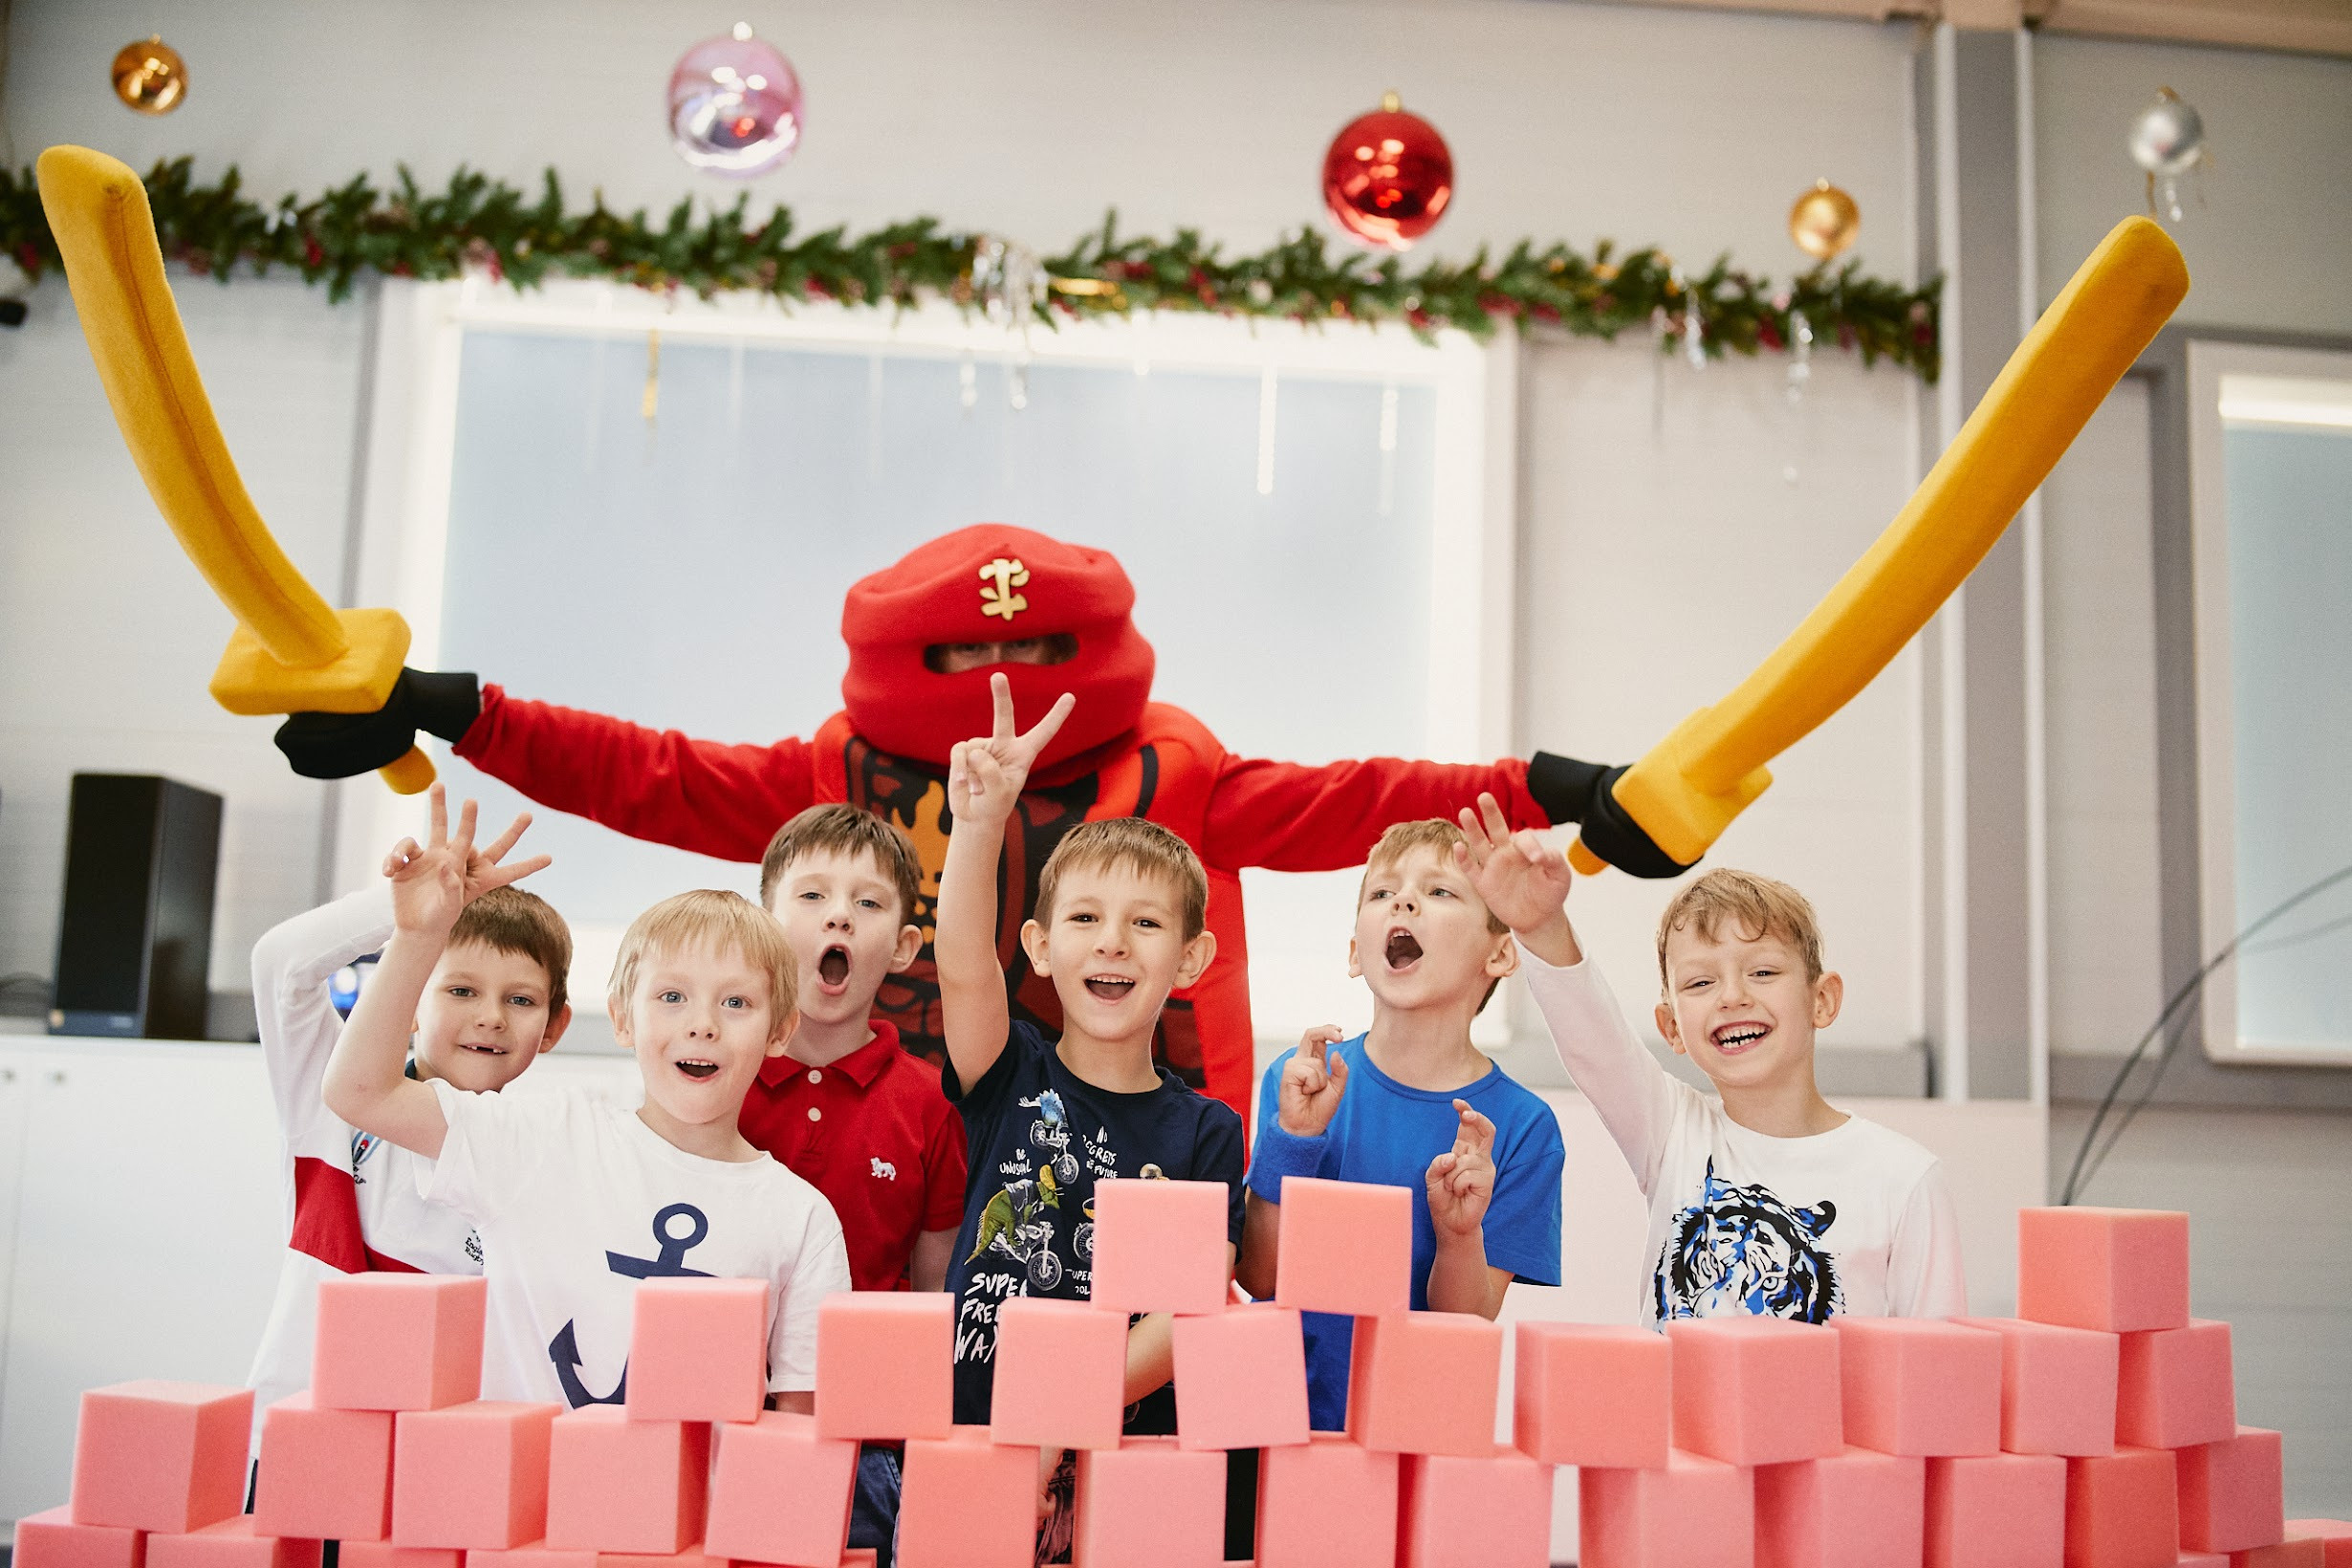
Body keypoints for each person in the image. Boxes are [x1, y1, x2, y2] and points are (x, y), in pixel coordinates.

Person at [274, 525, 1664, 1123]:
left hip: (1149, 1127)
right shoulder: (838, 773)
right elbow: (653, 772)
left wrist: (1562, 787)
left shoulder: (1175, 770)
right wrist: (447, 707)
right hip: (894, 1122)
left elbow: (1359, 799)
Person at [321, 786, 850, 1408]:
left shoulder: (802, 1218)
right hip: (515, 1497)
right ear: (623, 1019)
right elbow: (359, 1091)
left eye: (735, 1003)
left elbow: (799, 1425)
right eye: (672, 997)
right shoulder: (545, 1138)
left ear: (781, 1030)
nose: (701, 1024)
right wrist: (416, 938)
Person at [935, 676, 1244, 1557]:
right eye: (1084, 917)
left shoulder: (1206, 1132)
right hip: (978, 1426)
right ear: (1038, 947)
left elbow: (1189, 1317)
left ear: (1190, 959)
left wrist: (1063, 1415)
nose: (1112, 940)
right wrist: (981, 823)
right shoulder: (1008, 1065)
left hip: (1122, 1453)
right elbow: (961, 961)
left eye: (1145, 923)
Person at [1457, 793, 1966, 1325]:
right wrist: (1540, 927)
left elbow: (1940, 1378)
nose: (1732, 996)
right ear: (1672, 1026)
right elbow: (1593, 1041)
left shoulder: (1905, 1179)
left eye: (1763, 972)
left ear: (1823, 999)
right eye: (1701, 982)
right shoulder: (1673, 1131)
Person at [244, 830, 572, 1453]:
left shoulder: (540, 1158)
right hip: (296, 1454)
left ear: (553, 1027)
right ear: (410, 1000)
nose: (491, 1016)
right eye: (461, 989)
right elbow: (279, 963)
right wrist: (411, 917)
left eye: (521, 999)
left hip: (444, 1477)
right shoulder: (331, 1104)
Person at [1235, 817, 1566, 1431]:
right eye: (1383, 892)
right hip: (1274, 1432)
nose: (1405, 900)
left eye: (1440, 892)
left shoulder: (1523, 1126)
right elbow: (1258, 1275)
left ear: (1499, 953)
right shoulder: (1300, 1078)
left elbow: (1462, 1326)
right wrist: (1294, 1141)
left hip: (1414, 1442)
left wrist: (1460, 1233)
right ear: (1356, 952)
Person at [749, 804, 969, 1567]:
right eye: (811, 897)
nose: (838, 915)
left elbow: (938, 1292)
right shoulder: (713, 1082)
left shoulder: (932, 1104)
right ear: (764, 926)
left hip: (869, 1448)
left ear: (905, 946)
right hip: (719, 1427)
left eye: (867, 903)